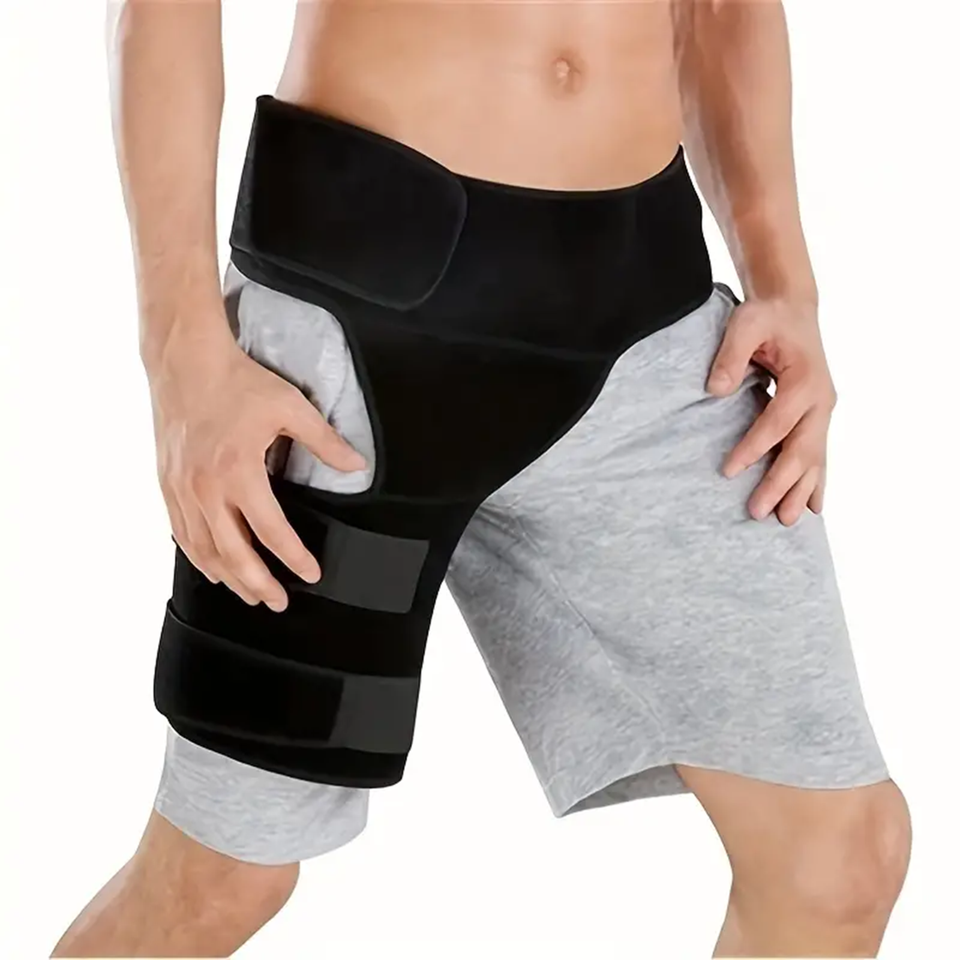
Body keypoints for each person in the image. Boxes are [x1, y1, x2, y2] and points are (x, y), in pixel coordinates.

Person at [54, 1, 910, 957]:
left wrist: (785, 280)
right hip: (357, 346)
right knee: (220, 879)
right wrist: (181, 355)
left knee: (838, 859)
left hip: (654, 346)